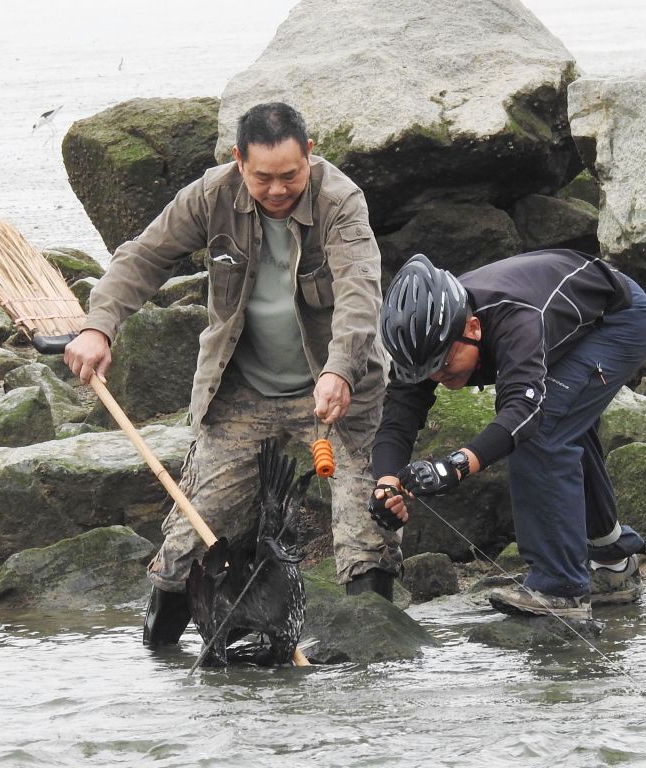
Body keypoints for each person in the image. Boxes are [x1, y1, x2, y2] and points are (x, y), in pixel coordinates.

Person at [64, 102, 400, 647]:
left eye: (290, 176)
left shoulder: (341, 201)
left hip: (337, 392)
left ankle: (369, 663)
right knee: (189, 536)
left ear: (309, 156)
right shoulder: (210, 194)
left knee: (366, 534)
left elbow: (360, 297)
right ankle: (160, 654)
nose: (276, 189)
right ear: (238, 160)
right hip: (241, 392)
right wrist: (98, 327)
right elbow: (143, 258)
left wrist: (340, 371)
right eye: (262, 176)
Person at [368, 250, 646, 620]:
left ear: (472, 327)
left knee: (542, 431)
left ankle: (560, 588)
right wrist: (387, 483)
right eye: (423, 372)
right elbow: (398, 417)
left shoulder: (516, 319)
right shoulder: (425, 343)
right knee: (565, 425)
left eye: (442, 364)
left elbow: (523, 413)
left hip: (616, 320)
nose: (436, 377)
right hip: (565, 321)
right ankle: (614, 562)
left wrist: (455, 466)